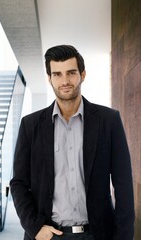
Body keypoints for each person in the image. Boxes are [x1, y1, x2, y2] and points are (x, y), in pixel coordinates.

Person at [10, 45, 135, 240]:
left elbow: (124, 184)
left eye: (71, 72)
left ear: (82, 74)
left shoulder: (108, 121)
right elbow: (18, 183)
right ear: (49, 78)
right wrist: (34, 227)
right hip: (48, 234)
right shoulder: (30, 125)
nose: (65, 81)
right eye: (57, 74)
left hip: (97, 234)